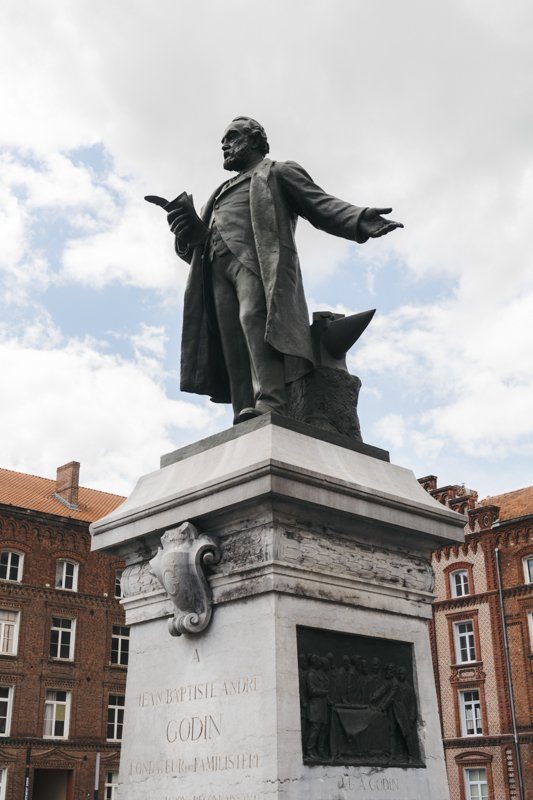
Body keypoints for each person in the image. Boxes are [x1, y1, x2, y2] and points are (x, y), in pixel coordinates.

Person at [167, 117, 402, 423]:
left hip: (257, 263)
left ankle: (272, 403)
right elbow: (197, 243)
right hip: (215, 269)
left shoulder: (278, 171)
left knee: (253, 319)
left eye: (232, 137)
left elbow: (320, 204)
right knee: (232, 340)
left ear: (254, 140)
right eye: (222, 141)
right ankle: (244, 409)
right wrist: (185, 234)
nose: (224, 145)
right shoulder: (219, 192)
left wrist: (359, 218)